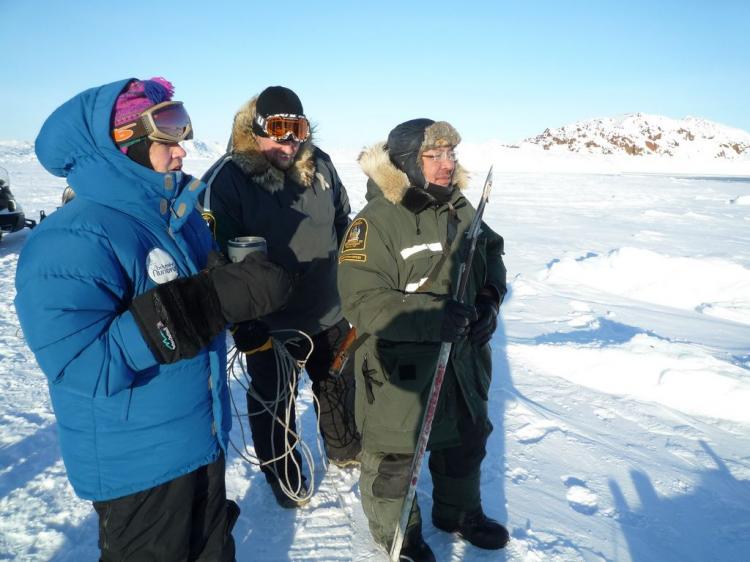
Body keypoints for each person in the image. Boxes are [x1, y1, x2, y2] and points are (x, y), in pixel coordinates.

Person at [15, 77, 293, 561]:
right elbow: (83, 364)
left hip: (200, 440)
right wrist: (210, 301)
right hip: (138, 468)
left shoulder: (174, 217)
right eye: (168, 139)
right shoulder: (72, 237)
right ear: (124, 144)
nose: (182, 151)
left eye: (181, 134)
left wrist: (234, 303)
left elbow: (189, 296)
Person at [336, 119, 510, 561]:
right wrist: (433, 318)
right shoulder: (374, 223)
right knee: (395, 458)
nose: (447, 164)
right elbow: (364, 302)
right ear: (407, 162)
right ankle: (399, 534)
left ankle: (457, 512)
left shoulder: (460, 208)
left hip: (463, 358)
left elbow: (489, 253)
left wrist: (489, 297)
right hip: (401, 366)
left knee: (465, 441)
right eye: (434, 156)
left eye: (451, 154)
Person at [201, 86, 361, 508]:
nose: (288, 142)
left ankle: (344, 449)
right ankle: (283, 473)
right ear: (255, 131)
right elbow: (208, 256)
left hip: (328, 307)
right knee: (275, 399)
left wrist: (357, 280)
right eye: (278, 131)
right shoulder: (228, 179)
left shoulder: (321, 165)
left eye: (297, 131)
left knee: (337, 382)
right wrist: (240, 317)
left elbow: (344, 222)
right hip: (270, 320)